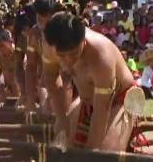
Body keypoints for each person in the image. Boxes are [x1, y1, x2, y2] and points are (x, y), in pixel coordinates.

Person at [44, 12, 139, 150]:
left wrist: (92, 153)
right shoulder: (50, 46)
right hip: (87, 101)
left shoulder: (101, 56)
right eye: (62, 56)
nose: (69, 61)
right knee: (62, 146)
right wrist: (61, 116)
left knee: (105, 156)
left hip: (121, 99)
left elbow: (102, 109)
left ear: (84, 41)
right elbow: (50, 78)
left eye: (74, 54)